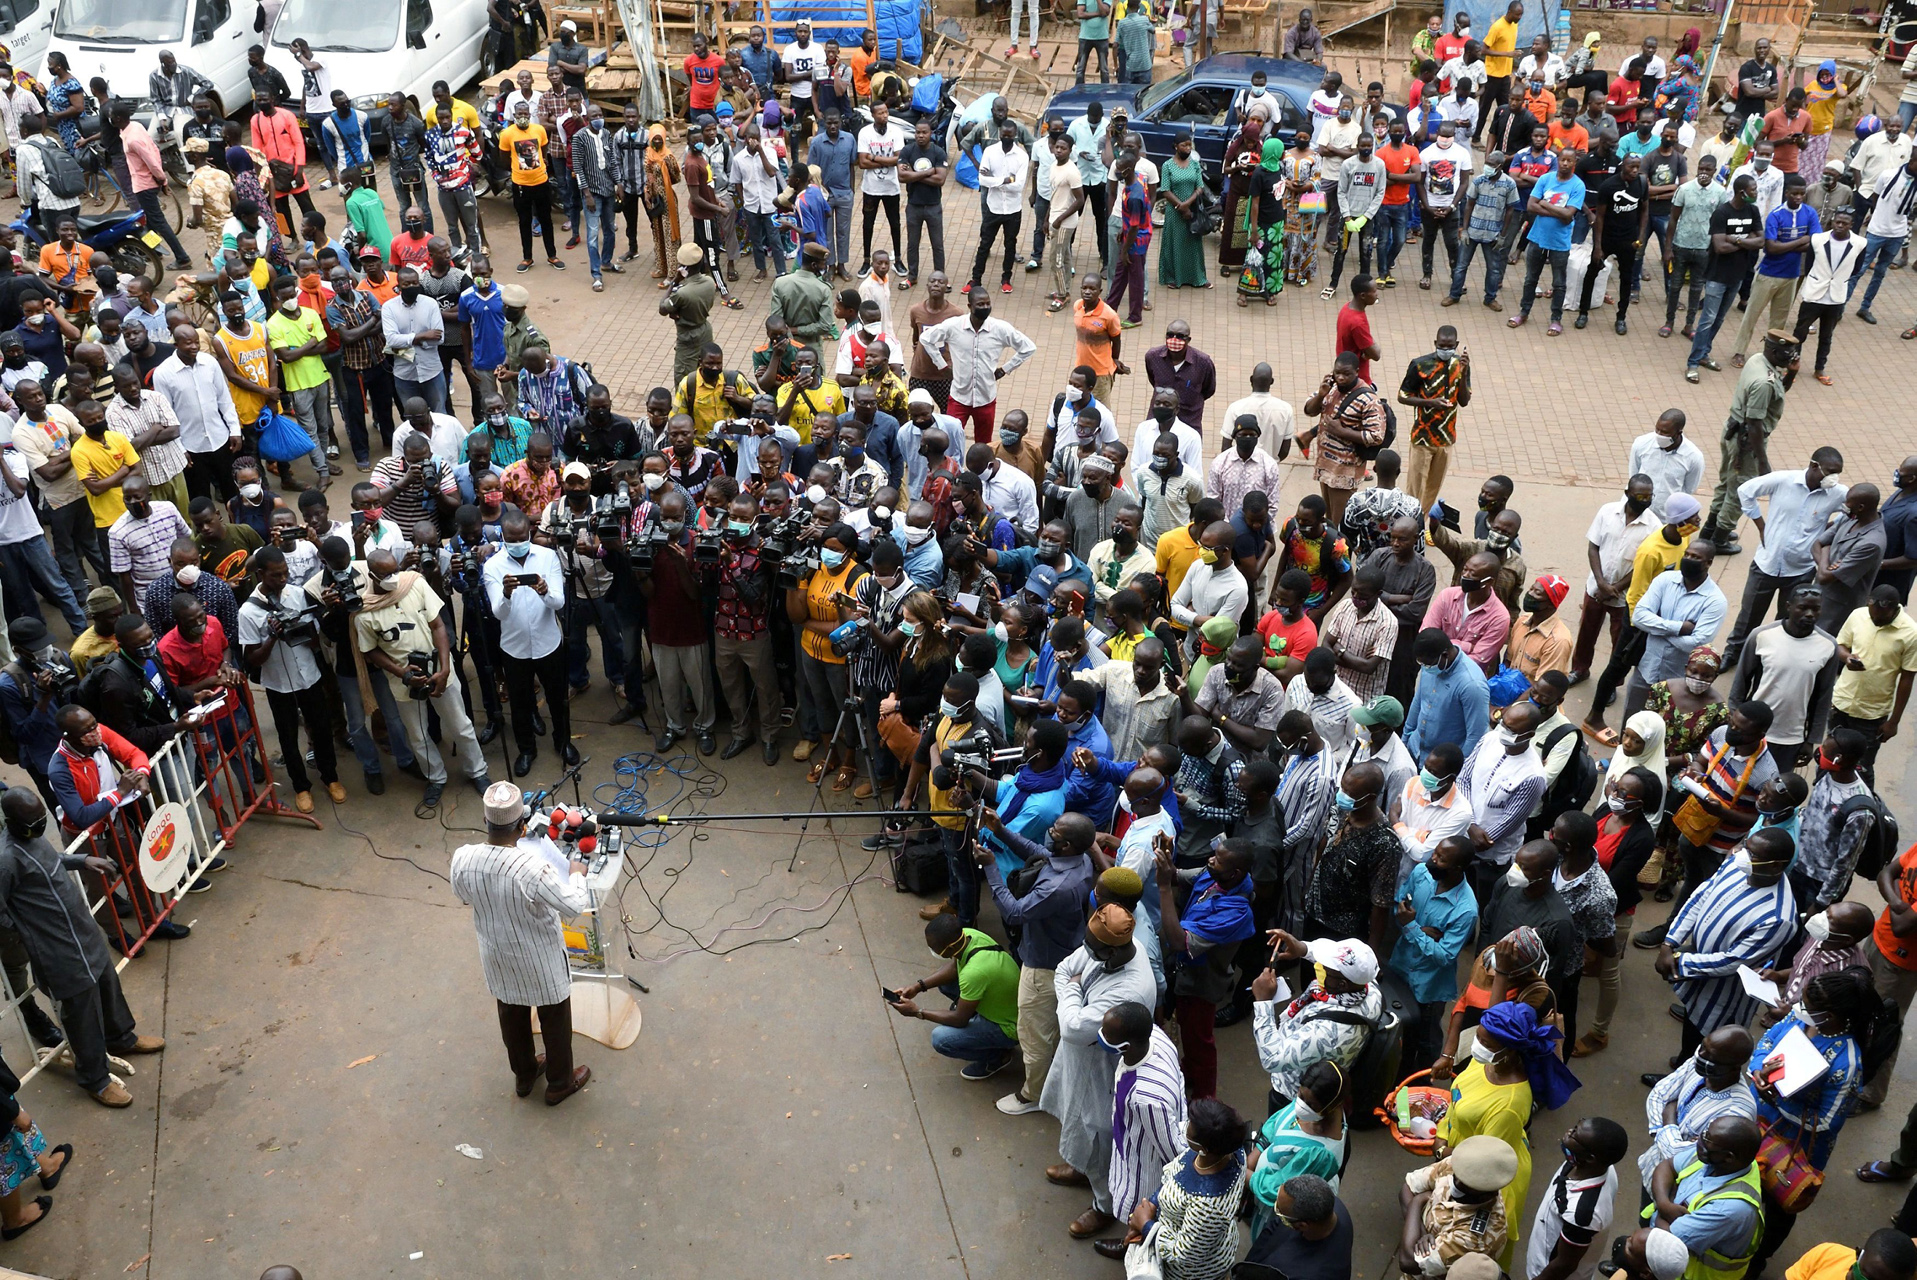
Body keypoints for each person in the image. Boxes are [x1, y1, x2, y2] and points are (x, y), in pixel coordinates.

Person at [449, 782, 591, 1106]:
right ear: (522, 826)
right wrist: (577, 872)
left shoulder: (463, 858)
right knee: (554, 1018)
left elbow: (462, 895)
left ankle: (525, 1076)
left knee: (511, 1015)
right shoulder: (532, 869)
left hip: (497, 954)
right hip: (539, 960)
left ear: (487, 822)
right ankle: (559, 1083)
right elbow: (573, 904)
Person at [1741, 968, 1875, 1274]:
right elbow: (1767, 1041)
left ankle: (1758, 1257)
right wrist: (1760, 1070)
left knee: (1778, 1203)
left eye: (1808, 1007)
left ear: (1831, 1016)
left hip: (1795, 1145)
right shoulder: (1800, 1019)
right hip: (1757, 1116)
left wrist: (1778, 1102)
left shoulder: (1847, 1061)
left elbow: (1828, 1120)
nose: (1798, 1010)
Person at [1041, 903, 1156, 1239]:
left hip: (1104, 1075)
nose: (1086, 954)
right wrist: (1073, 995)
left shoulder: (1130, 988)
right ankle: (1082, 1168)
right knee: (1077, 1127)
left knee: (1098, 1140)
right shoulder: (1102, 948)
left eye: (1093, 950)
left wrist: (1072, 993)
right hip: (1078, 1061)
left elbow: (1073, 1027)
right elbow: (1064, 969)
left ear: (1115, 949)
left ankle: (1104, 1207)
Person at [236, 547, 339, 813]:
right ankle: (301, 786)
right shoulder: (248, 611)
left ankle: (331, 777)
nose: (283, 579)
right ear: (260, 574)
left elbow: (316, 641)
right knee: (288, 737)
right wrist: (272, 636)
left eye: (285, 573)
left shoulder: (298, 594)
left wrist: (303, 628)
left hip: (309, 675)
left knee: (322, 728)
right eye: (275, 575)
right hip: (279, 683)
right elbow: (252, 659)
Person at [1094, 999, 1187, 1259]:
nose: (1102, 1037)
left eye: (1108, 1035)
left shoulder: (1147, 1098)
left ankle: (1134, 1249)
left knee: (1140, 1212)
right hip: (1129, 1135)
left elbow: (1173, 1151)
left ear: (1126, 1045)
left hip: (1143, 1165)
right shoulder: (1153, 1034)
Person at [1120, 1097, 1249, 1280]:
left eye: (1190, 1126)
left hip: (1191, 1272)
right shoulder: (1228, 1149)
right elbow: (1174, 1175)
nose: (1185, 1126)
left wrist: (1146, 1225)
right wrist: (1152, 1205)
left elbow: (1184, 1255)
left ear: (1203, 1148)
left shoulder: (1208, 1206)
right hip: (1205, 1238)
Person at [1251, 933, 1381, 1110]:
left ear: (1342, 985)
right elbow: (1347, 967)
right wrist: (1302, 949)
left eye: (1326, 969)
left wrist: (1263, 1002)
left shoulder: (1328, 1032)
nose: (1319, 966)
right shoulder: (1370, 990)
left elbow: (1272, 1059)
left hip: (1293, 1097)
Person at [1830, 585, 1917, 781]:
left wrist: (1893, 722)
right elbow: (1840, 645)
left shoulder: (1911, 634)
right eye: (1872, 615)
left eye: (1881, 617)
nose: (1875, 620)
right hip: (1841, 702)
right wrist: (1847, 658)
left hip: (1871, 713)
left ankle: (1863, 808)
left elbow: (1907, 679)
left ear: (1895, 609)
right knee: (1830, 759)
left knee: (1861, 768)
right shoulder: (1859, 615)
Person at [1527, 1118, 1631, 1280]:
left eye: (1574, 1136)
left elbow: (1564, 1265)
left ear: (1590, 1158)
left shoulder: (1583, 1213)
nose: (1568, 1134)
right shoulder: (1596, 1166)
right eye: (1575, 1126)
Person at [1400, 1135, 1519, 1275]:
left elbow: (1408, 1261)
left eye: (1464, 1184)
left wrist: (1417, 1201)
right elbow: (1407, 1188)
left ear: (1487, 1194)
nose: (1454, 1181)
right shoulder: (1461, 1165)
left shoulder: (1477, 1237)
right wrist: (1424, 1234)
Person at [1511, 149, 1586, 334]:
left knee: (1559, 283)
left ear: (1574, 162)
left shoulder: (1578, 185)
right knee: (1530, 279)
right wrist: (1555, 210)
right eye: (1563, 160)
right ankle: (1524, 312)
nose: (1565, 164)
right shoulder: (1546, 179)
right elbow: (1531, 206)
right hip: (1537, 238)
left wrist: (1545, 204)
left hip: (1560, 242)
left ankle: (1556, 319)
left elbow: (1569, 215)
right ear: (1558, 160)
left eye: (1569, 160)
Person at [1245, 1173, 1354, 1280]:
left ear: (1302, 1225)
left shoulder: (1302, 1274)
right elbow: (1273, 1227)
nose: (1278, 1215)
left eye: (1281, 1213)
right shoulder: (1334, 1207)